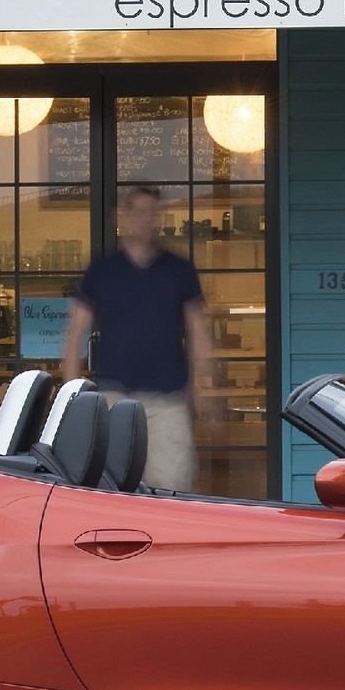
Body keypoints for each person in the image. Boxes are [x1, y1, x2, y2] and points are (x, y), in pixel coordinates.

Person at [61, 185, 215, 492]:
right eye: (140, 212)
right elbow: (75, 332)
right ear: (124, 217)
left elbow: (197, 331)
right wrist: (71, 396)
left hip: (167, 401)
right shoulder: (103, 271)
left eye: (153, 213)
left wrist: (206, 390)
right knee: (111, 489)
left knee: (172, 487)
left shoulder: (179, 270)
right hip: (113, 399)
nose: (147, 219)